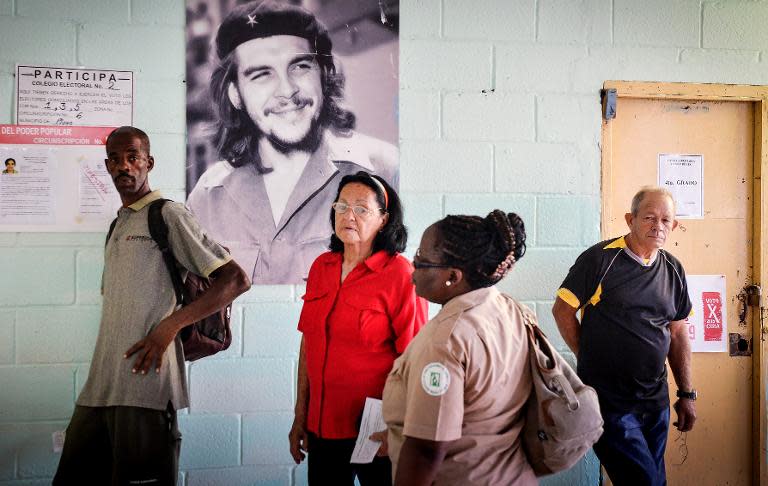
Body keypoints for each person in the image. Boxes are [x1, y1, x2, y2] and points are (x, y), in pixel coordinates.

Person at [53, 126, 251, 485]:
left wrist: (169, 326)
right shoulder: (119, 223)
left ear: (149, 162)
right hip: (101, 386)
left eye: (132, 157)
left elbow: (236, 280)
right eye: (114, 159)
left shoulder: (168, 215)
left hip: (147, 388)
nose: (123, 166)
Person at [187, 1, 398, 285]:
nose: (287, 90)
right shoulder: (209, 196)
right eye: (261, 75)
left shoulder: (384, 170)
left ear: (323, 76)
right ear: (236, 94)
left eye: (300, 66)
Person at [289, 171, 427, 485]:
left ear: (384, 218)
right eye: (342, 206)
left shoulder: (400, 274)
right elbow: (308, 344)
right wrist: (301, 414)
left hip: (377, 428)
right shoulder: (322, 266)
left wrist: (400, 429)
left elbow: (415, 360)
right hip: (322, 425)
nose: (348, 215)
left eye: (362, 209)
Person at [552, 186, 696, 486]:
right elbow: (562, 311)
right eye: (649, 217)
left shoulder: (673, 269)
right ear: (631, 219)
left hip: (654, 400)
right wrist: (587, 357)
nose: (658, 226)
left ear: (674, 225)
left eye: (666, 220)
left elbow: (678, 331)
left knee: (654, 479)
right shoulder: (600, 260)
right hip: (609, 400)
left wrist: (686, 394)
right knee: (643, 482)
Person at [381, 210, 536, 486]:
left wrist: (412, 441)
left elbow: (426, 450)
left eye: (421, 260)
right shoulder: (510, 309)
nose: (412, 265)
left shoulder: (444, 342)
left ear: (452, 276)